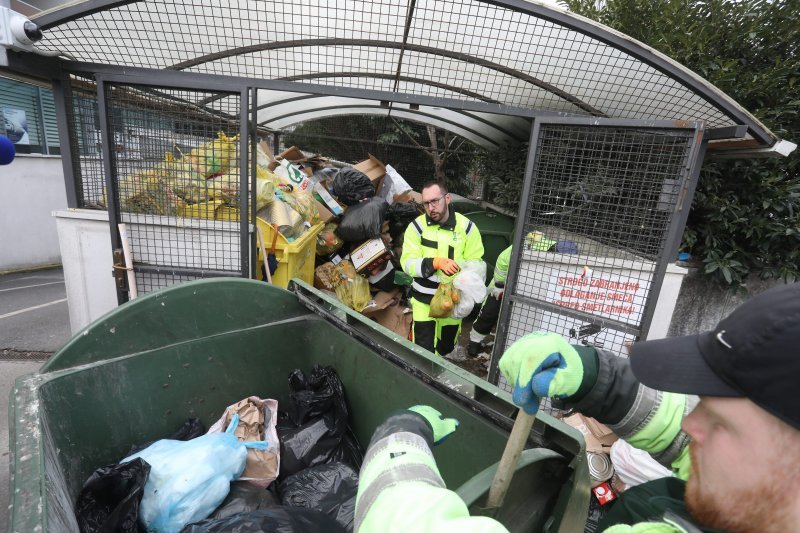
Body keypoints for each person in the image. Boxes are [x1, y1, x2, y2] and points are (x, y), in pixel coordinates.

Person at [354, 283, 800, 532]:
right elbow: (683, 439)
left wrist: (398, 447)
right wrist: (591, 377)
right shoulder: (756, 503)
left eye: (721, 424)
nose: (691, 422)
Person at [400, 181, 484, 357]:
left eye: (435, 201)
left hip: (453, 301)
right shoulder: (416, 227)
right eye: (426, 203)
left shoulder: (467, 228)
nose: (431, 208)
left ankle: (437, 366)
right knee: (424, 350)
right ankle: (425, 378)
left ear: (447, 199)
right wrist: (435, 263)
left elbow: (476, 262)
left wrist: (466, 280)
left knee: (446, 347)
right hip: (424, 300)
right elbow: (407, 262)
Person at [467, 244, 510, 357]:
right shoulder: (523, 246)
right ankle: (474, 343)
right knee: (489, 312)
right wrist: (499, 285)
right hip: (501, 285)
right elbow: (503, 260)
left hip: (525, 290)